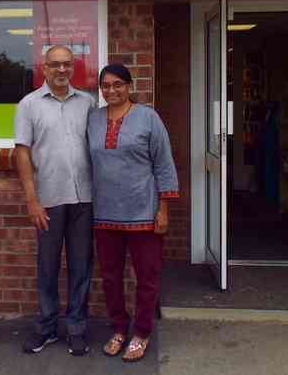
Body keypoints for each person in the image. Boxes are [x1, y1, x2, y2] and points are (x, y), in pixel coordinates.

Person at [87, 63, 179, 362]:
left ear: (129, 86)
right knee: (110, 277)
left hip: (143, 212)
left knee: (147, 277)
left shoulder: (148, 118)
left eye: (117, 84)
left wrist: (162, 209)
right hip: (105, 214)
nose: (111, 90)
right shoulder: (93, 119)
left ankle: (141, 333)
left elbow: (163, 164)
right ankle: (118, 328)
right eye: (105, 85)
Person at [14, 45, 96, 356]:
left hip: (84, 199)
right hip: (48, 199)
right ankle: (47, 328)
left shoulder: (87, 103)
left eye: (66, 65)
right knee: (47, 268)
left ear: (72, 68)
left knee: (81, 267)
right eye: (55, 65)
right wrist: (32, 200)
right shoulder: (29, 105)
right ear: (44, 69)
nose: (61, 70)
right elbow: (22, 152)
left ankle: (76, 328)